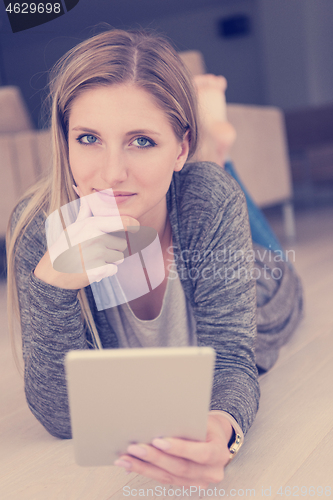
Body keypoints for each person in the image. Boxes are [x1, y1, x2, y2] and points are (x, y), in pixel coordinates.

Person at [6, 29, 302, 488]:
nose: (110, 173)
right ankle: (218, 153)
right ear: (64, 140)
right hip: (186, 199)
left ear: (180, 147)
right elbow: (64, 417)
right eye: (88, 138)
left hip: (260, 281)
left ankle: (221, 156)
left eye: (141, 140)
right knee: (210, 191)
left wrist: (223, 430)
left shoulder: (205, 200)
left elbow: (233, 360)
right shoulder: (37, 228)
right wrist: (53, 283)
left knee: (261, 247)